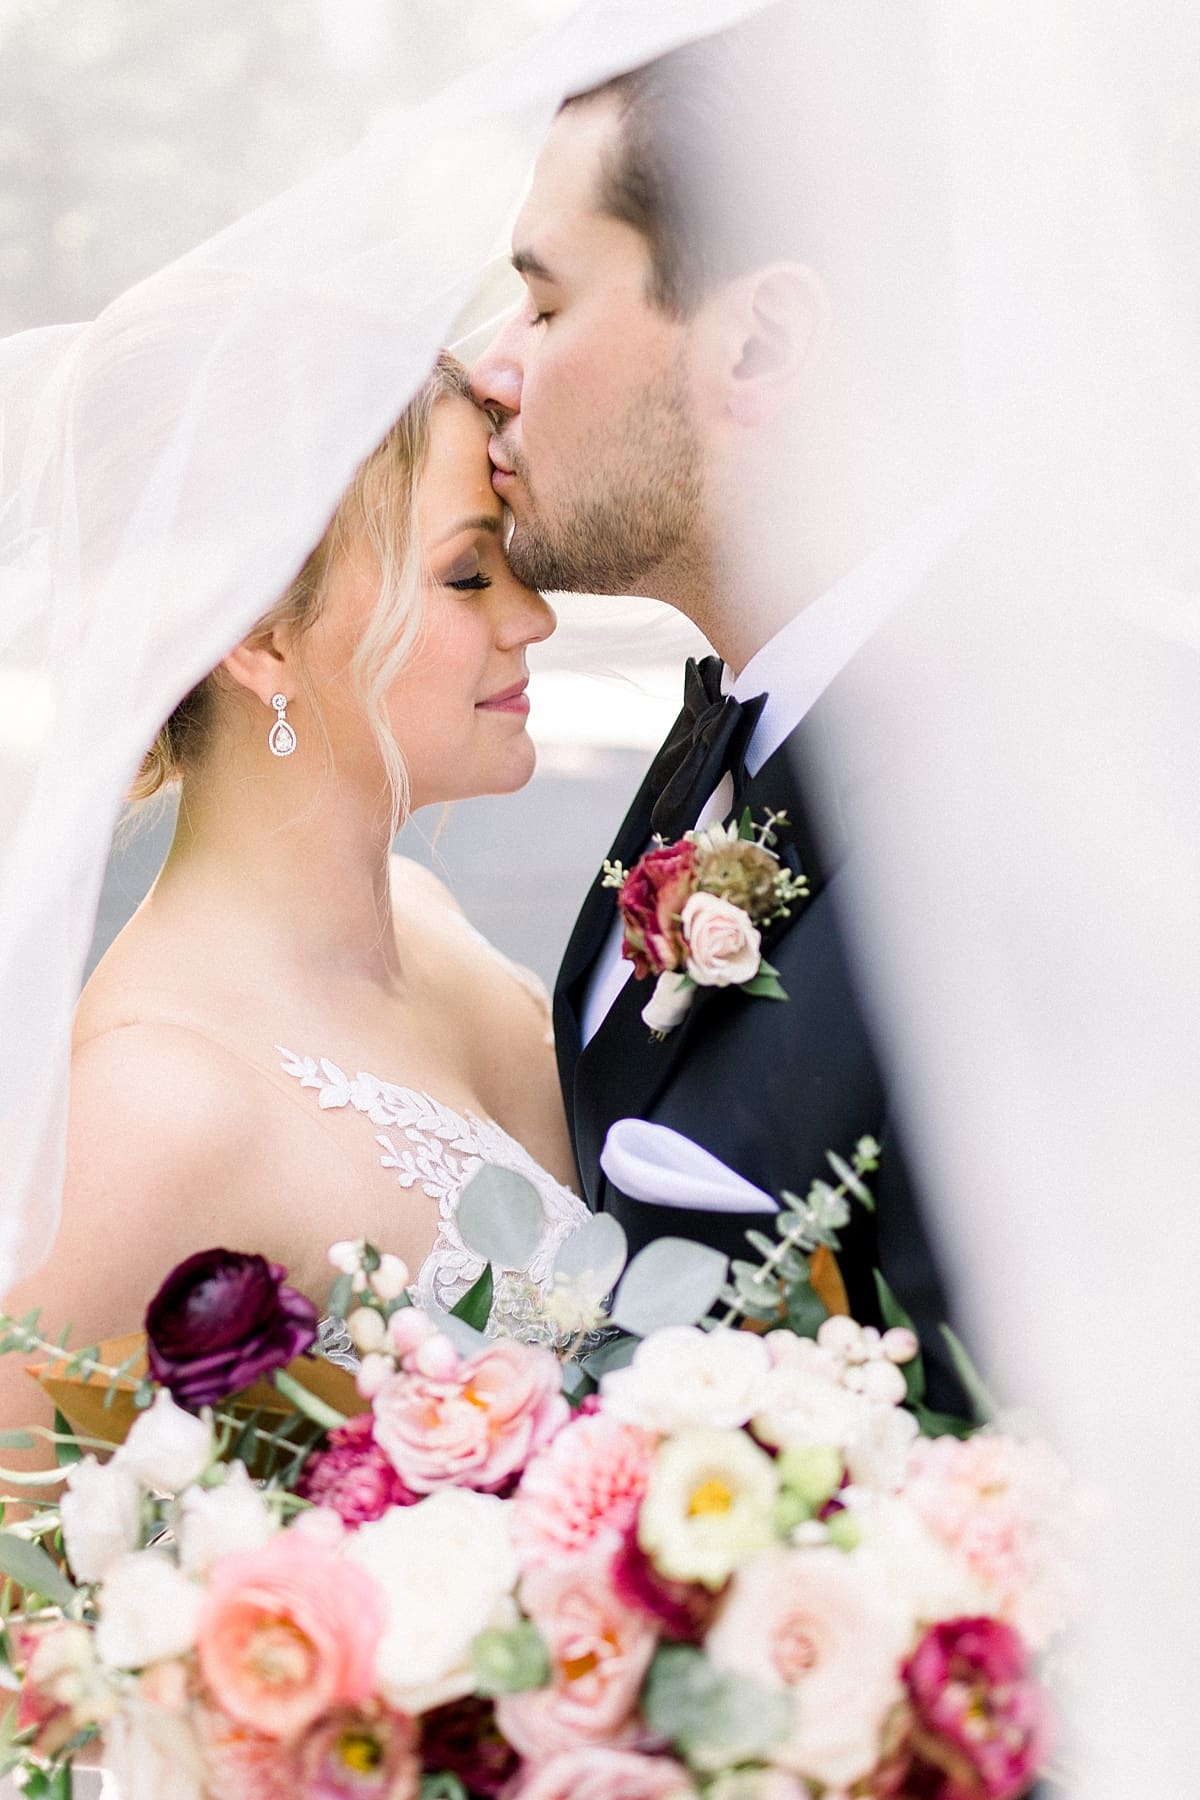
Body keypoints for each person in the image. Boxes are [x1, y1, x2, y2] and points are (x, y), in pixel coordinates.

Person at [469, 5, 965, 1399]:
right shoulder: (734, 731)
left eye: (547, 303)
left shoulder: (1001, 791)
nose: (494, 368)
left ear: (755, 348)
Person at [0, 352, 586, 1445]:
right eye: (468, 575)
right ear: (262, 639)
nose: (532, 616)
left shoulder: (427, 920)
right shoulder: (157, 1109)